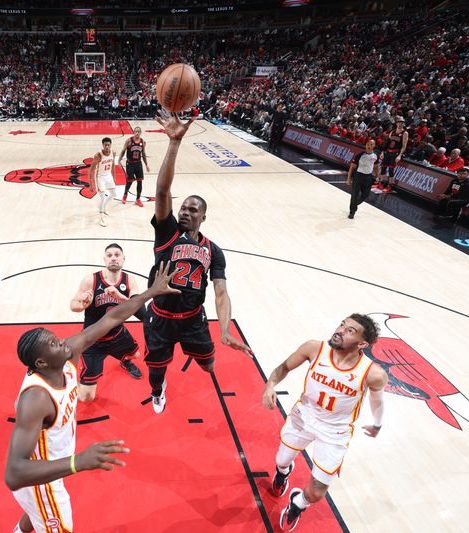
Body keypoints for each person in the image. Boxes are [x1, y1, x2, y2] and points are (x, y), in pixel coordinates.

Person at [5, 262, 179, 533]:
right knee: (54, 520)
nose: (62, 342)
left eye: (56, 338)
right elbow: (14, 474)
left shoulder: (67, 354)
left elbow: (110, 319)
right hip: (40, 481)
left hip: (49, 472)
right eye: (53, 344)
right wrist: (78, 462)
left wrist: (149, 294)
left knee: (35, 515)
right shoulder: (36, 399)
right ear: (40, 362)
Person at [144, 110, 253, 415]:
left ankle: (198, 352)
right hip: (161, 318)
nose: (186, 212)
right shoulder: (167, 232)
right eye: (184, 208)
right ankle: (158, 392)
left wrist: (226, 329)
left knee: (208, 365)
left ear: (203, 217)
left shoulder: (214, 251)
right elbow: (162, 190)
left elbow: (220, 292)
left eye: (193, 210)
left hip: (193, 319)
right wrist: (174, 142)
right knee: (156, 372)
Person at [261, 314, 388, 532]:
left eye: (350, 331)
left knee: (317, 492)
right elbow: (283, 367)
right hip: (304, 417)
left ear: (363, 343)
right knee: (281, 460)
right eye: (342, 324)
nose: (340, 330)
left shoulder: (373, 373)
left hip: (335, 431)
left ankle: (298, 503)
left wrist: (377, 424)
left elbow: (377, 401)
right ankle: (283, 472)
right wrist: (270, 385)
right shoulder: (314, 348)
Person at [70, 243, 144, 402]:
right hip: (93, 342)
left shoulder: (129, 281)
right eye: (109, 255)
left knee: (135, 355)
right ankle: (69, 383)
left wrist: (120, 297)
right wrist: (81, 304)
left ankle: (125, 362)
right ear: (104, 259)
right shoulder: (91, 280)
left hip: (117, 335)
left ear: (123, 259)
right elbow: (73, 305)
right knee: (86, 397)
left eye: (117, 255)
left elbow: (139, 310)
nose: (113, 258)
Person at [346, 139, 380, 219]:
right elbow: (352, 167)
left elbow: (376, 167)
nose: (369, 146)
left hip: (368, 177)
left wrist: (377, 176)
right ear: (365, 145)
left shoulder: (375, 156)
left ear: (374, 146)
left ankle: (355, 204)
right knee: (354, 195)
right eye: (368, 144)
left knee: (365, 195)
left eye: (371, 144)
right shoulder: (360, 155)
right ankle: (352, 212)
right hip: (358, 176)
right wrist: (348, 178)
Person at [118, 127, 150, 207]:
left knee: (140, 181)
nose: (137, 133)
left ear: (140, 133)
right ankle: (125, 194)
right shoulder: (129, 141)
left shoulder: (143, 142)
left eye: (138, 132)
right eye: (136, 131)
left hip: (138, 164)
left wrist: (146, 164)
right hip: (130, 164)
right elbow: (123, 151)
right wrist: (119, 160)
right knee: (130, 180)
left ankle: (138, 199)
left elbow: (143, 154)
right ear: (133, 132)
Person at [376, 117, 408, 193]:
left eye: (402, 123)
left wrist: (400, 155)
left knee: (391, 170)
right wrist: (383, 152)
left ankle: (389, 186)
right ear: (396, 123)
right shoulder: (392, 132)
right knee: (383, 168)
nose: (400, 124)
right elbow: (387, 143)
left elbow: (404, 146)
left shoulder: (405, 133)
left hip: (395, 153)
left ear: (403, 124)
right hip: (388, 152)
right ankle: (380, 184)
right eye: (399, 122)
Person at [89, 137, 116, 227]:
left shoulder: (113, 152)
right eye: (105, 145)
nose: (107, 146)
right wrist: (91, 183)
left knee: (113, 194)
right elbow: (91, 169)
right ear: (102, 145)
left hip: (109, 176)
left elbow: (112, 166)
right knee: (102, 197)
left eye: (108, 145)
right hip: (100, 177)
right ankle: (101, 218)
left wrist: (114, 177)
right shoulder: (98, 155)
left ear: (110, 145)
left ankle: (103, 207)